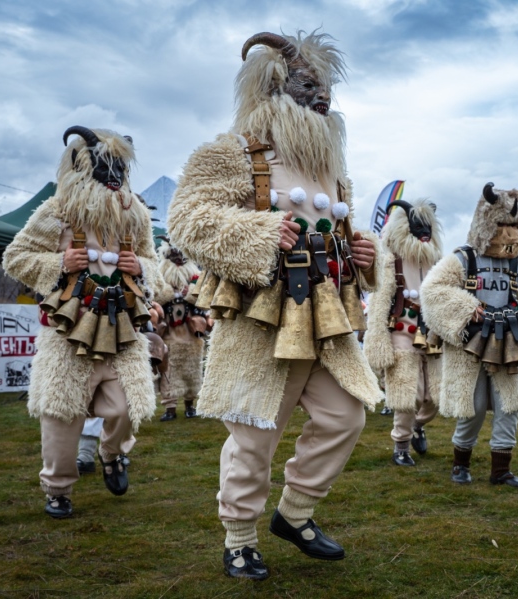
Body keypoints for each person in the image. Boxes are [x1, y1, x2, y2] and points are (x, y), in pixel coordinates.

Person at [167, 31, 382, 581]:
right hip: (262, 319)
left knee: (346, 416)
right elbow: (187, 218)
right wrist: (262, 234)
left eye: (326, 86)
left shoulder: (332, 171)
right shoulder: (231, 151)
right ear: (277, 86)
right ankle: (239, 537)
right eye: (310, 85)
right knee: (255, 434)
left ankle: (295, 514)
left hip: (326, 319)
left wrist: (362, 254)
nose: (323, 97)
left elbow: (340, 236)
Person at [2, 126, 160, 518]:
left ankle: (112, 454)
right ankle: (57, 489)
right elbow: (15, 257)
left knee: (126, 407)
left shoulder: (134, 215)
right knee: (62, 414)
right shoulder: (57, 211)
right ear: (84, 165)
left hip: (121, 328)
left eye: (119, 167)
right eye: (105, 165)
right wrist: (58, 263)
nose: (113, 176)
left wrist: (140, 266)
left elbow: (153, 264)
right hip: (66, 335)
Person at [422, 178, 518, 490]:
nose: (508, 233)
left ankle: (501, 470)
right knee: (474, 405)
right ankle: (461, 463)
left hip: (509, 339)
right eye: (501, 225)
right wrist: (466, 308)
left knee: (509, 404)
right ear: (486, 223)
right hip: (469, 341)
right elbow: (433, 290)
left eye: (513, 225)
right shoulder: (463, 259)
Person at [364, 198, 443, 467]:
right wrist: (377, 342)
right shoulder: (390, 261)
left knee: (434, 397)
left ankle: (417, 426)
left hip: (431, 333)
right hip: (401, 330)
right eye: (417, 226)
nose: (423, 233)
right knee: (408, 395)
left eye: (427, 226)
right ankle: (401, 446)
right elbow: (378, 302)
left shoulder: (437, 261)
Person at [154, 237, 207, 421]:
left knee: (192, 370)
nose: (177, 259)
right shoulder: (161, 281)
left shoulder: (196, 280)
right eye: (173, 255)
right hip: (169, 334)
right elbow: (155, 298)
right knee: (169, 371)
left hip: (191, 335)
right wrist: (170, 293)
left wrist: (189, 294)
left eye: (181, 255)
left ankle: (190, 405)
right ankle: (170, 407)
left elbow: (204, 299)